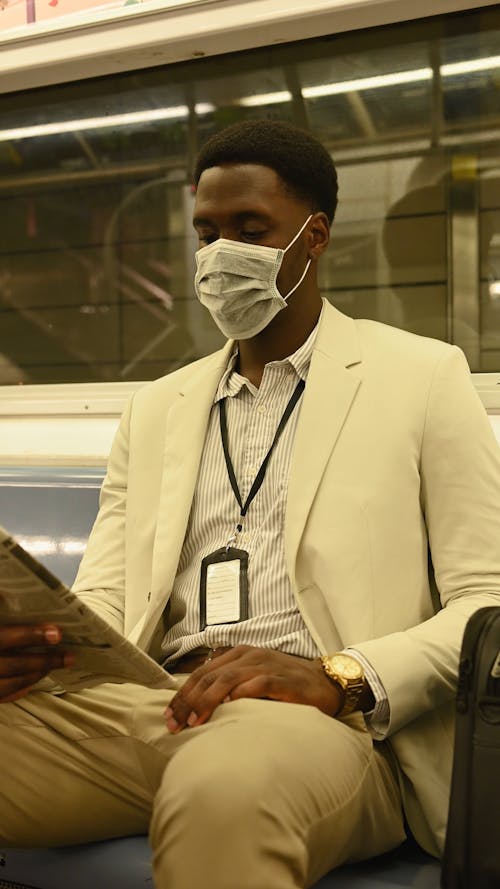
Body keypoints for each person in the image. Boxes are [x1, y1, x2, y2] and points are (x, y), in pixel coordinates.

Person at [1, 119, 500, 889]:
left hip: (326, 725)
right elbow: (105, 596)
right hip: (154, 705)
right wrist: (43, 642)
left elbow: (487, 601)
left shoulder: (423, 378)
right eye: (207, 231)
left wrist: (341, 674)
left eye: (249, 229)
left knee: (224, 790)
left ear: (315, 235)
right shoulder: (158, 407)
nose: (219, 254)